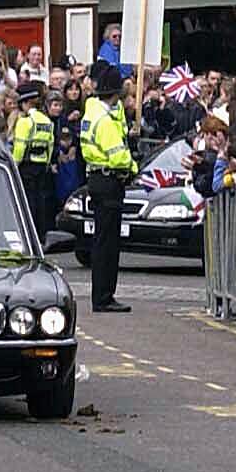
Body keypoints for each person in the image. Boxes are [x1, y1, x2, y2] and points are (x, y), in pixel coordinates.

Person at [80, 62, 139, 313]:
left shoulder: (93, 112)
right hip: (109, 180)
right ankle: (104, 296)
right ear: (115, 93)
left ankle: (102, 294)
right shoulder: (104, 121)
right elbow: (118, 156)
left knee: (103, 240)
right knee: (108, 243)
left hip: (97, 179)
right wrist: (133, 166)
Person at [10, 85, 58, 235]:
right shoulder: (46, 121)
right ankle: (41, 233)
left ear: (25, 104)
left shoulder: (25, 122)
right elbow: (50, 144)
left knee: (28, 201)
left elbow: (20, 147)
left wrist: (14, 165)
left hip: (27, 166)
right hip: (42, 166)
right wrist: (47, 163)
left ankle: (29, 233)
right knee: (41, 201)